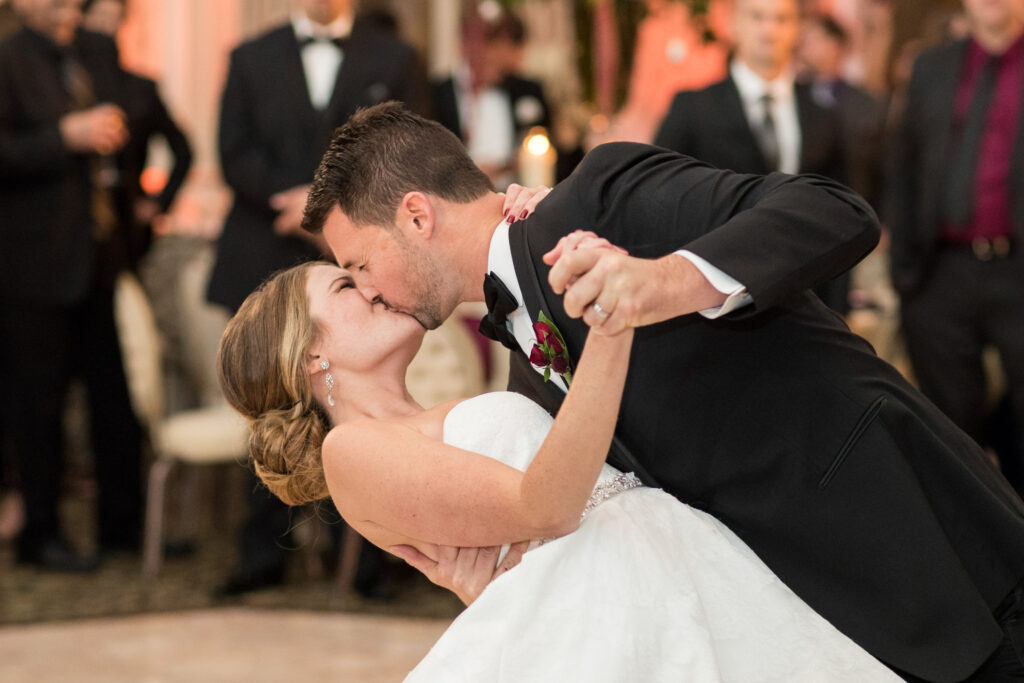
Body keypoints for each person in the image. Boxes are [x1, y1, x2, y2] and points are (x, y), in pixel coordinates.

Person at [300, 102, 1024, 682]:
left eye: (358, 262)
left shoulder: (601, 196)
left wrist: (666, 281)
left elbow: (835, 211)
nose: (365, 288)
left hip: (920, 546)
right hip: (799, 625)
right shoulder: (525, 372)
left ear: (418, 217)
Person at [218, 259, 901, 681]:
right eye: (344, 282)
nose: (369, 286)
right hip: (609, 599)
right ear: (310, 355)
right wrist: (613, 324)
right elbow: (546, 504)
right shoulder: (350, 450)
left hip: (649, 569)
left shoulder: (422, 418)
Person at [205, 0, 429, 597]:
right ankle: (262, 554)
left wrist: (331, 213)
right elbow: (233, 151)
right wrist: (294, 201)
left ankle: (374, 557)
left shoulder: (396, 57)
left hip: (356, 258)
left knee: (367, 398)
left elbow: (412, 150)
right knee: (268, 406)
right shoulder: (250, 57)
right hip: (261, 250)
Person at [0, 0, 144, 571]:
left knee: (115, 403)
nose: (68, 12)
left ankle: (124, 526)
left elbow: (128, 113)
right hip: (31, 267)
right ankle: (41, 535)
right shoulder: (8, 60)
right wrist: (64, 136)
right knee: (38, 408)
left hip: (99, 253)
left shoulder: (97, 49)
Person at [888, 0, 1024, 494]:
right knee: (951, 435)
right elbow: (902, 163)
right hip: (939, 274)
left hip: (1017, 271)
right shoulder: (933, 65)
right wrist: (905, 272)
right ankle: (976, 555)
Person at [654, 0, 851, 314]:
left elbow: (840, 215)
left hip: (804, 299)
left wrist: (837, 310)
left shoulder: (823, 117)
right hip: (713, 299)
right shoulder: (693, 108)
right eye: (757, 17)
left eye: (781, 19)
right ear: (733, 24)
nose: (769, 30)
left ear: (796, 28)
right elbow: (660, 198)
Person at [81, 0, 193, 269]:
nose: (106, 27)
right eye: (100, 18)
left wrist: (157, 203)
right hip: (77, 216)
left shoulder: (140, 88)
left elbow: (183, 149)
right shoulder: (69, 84)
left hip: (126, 218)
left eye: (113, 18)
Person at [431, 10, 552, 190]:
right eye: (475, 41)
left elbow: (543, 141)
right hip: (460, 191)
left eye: (489, 41)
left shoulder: (521, 88)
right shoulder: (440, 91)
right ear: (463, 44)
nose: (483, 50)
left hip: (515, 190)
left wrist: (511, 164)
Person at [799, 13, 887, 210]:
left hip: (852, 203)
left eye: (814, 40)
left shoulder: (865, 103)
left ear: (836, 45)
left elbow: (879, 166)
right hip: (801, 203)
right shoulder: (791, 97)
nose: (804, 47)